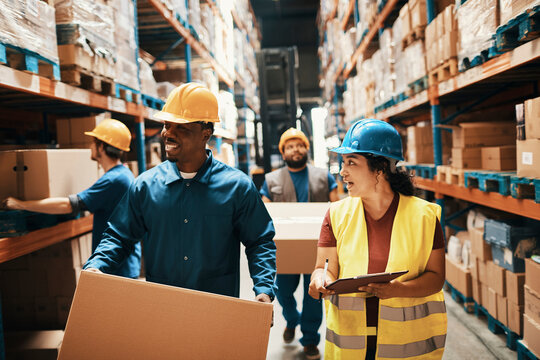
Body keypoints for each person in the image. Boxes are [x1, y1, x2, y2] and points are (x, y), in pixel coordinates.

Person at [83, 82, 277, 304]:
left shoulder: (237, 187)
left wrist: (264, 288)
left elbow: (259, 241)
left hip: (218, 306)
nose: (168, 134)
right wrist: (97, 265)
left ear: (206, 133)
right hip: (163, 306)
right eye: (167, 124)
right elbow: (119, 235)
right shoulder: (145, 186)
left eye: (181, 127)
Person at [308, 119, 447, 360]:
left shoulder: (424, 216)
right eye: (343, 163)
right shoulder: (337, 214)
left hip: (406, 347)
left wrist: (398, 290)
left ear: (380, 168)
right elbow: (324, 268)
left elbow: (436, 279)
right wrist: (320, 279)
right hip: (350, 344)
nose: (343, 172)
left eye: (351, 162)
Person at [2, 119, 141, 278]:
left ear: (101, 147)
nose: (90, 146)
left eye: (93, 142)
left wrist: (21, 204)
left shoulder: (114, 180)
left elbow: (69, 205)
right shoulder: (122, 174)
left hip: (118, 269)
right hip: (122, 264)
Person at [260, 127, 338, 359]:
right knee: (282, 290)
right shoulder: (271, 179)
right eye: (290, 146)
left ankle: (310, 339)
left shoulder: (324, 176)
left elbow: (338, 209)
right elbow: (263, 211)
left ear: (306, 148)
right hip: (287, 248)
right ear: (283, 153)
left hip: (319, 246)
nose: (296, 149)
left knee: (315, 293)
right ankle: (292, 318)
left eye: (300, 145)